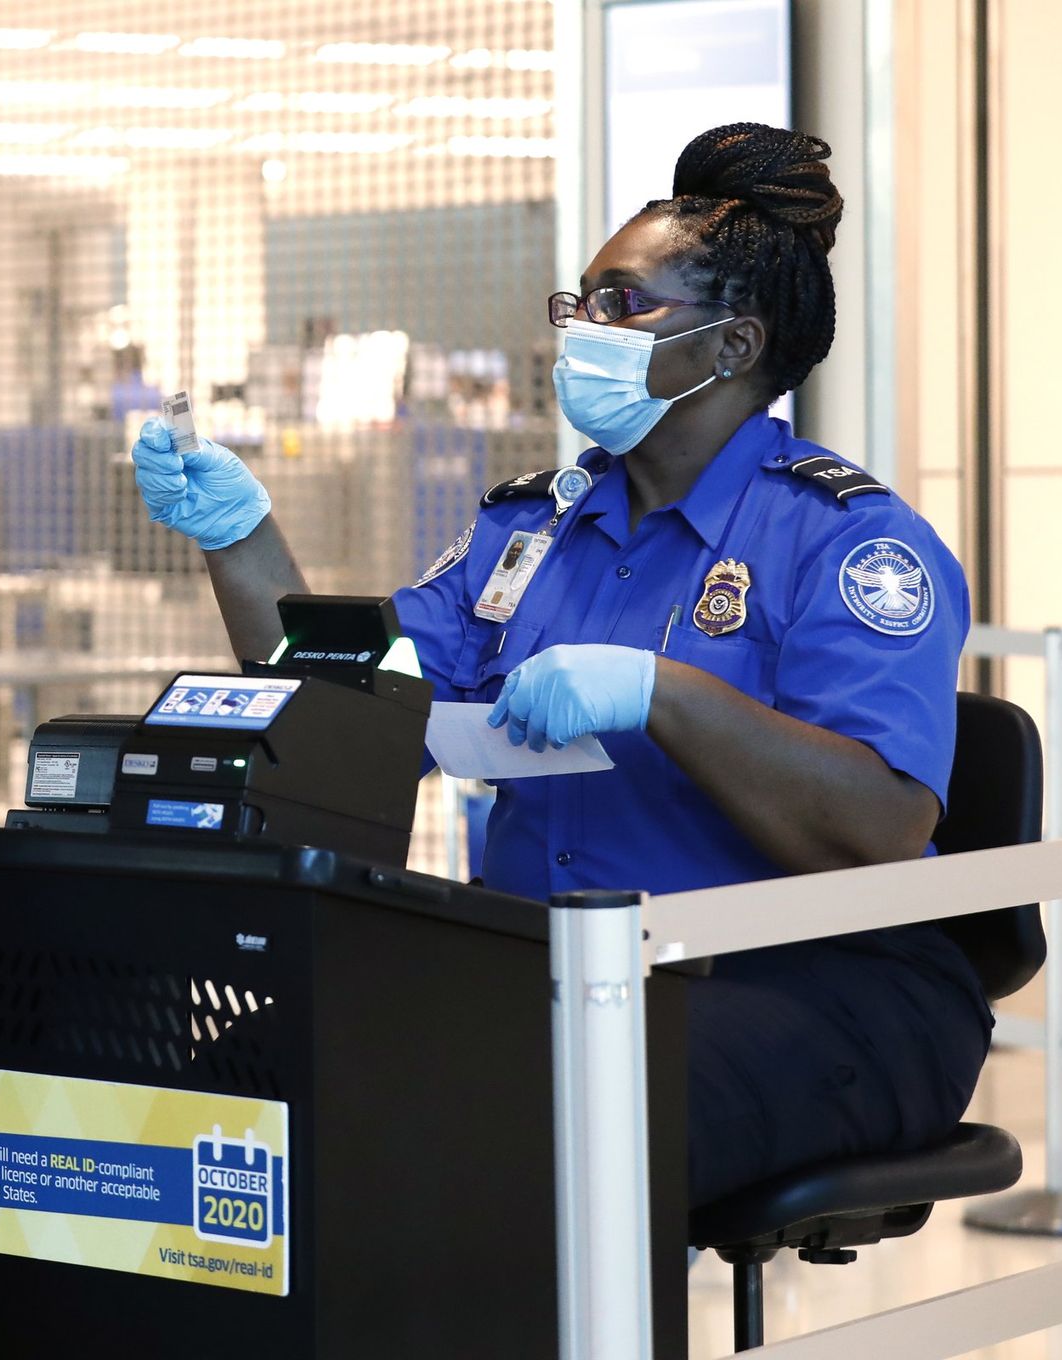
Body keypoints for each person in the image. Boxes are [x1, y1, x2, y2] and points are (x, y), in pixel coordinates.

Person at [130, 123, 990, 1207]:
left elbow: (880, 826)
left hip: (812, 978)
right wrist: (239, 537)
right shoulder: (530, 528)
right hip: (550, 967)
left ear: (731, 346)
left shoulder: (846, 542)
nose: (582, 330)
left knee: (523, 1139)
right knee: (235, 1085)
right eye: (579, 302)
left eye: (622, 304)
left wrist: (663, 695)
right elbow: (350, 712)